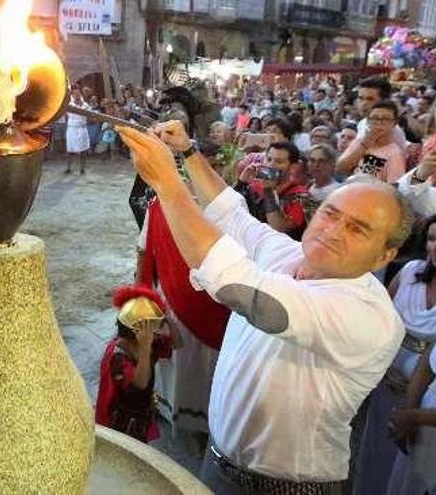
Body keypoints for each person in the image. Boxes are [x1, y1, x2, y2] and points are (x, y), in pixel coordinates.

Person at [117, 119, 409, 493]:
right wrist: (187, 152)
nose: (334, 231)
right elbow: (233, 213)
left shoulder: (366, 313)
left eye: (359, 229)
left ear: (385, 255)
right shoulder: (291, 257)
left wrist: (167, 183)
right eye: (331, 214)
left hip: (287, 487)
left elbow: (241, 289)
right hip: (220, 462)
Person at [354, 207, 436, 494]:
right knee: (377, 449)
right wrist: (381, 368)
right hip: (389, 372)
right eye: (432, 239)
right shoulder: (411, 272)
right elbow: (377, 321)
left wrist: (415, 410)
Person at [137, 197, 230, 453]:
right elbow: (144, 249)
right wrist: (142, 294)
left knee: (205, 364)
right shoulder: (159, 205)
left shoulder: (224, 205)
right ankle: (173, 412)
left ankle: (205, 425)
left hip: (213, 300)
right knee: (176, 360)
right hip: (172, 292)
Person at [95, 285, 174, 443]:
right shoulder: (118, 356)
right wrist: (145, 348)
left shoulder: (149, 342)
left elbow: (176, 343)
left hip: (141, 413)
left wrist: (164, 318)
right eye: (152, 325)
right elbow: (140, 383)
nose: (155, 330)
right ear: (138, 331)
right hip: (121, 420)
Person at [235, 141, 309, 239]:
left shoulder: (300, 196)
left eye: (279, 162)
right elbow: (230, 210)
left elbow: (279, 229)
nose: (271, 165)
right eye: (269, 159)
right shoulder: (254, 187)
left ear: (293, 167)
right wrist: (241, 182)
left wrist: (268, 191)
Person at [337, 100, 407, 183]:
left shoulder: (395, 153)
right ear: (368, 121)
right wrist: (364, 145)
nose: (379, 122)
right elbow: (340, 168)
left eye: (385, 119)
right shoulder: (359, 142)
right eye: (375, 118)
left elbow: (393, 188)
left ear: (394, 123)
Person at [65, 87, 90, 174]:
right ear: (72, 95)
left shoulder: (86, 105)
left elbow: (90, 116)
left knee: (83, 151)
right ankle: (68, 167)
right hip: (72, 129)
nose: (77, 95)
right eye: (75, 94)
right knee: (70, 150)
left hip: (82, 129)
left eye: (78, 93)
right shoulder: (69, 105)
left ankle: (82, 168)